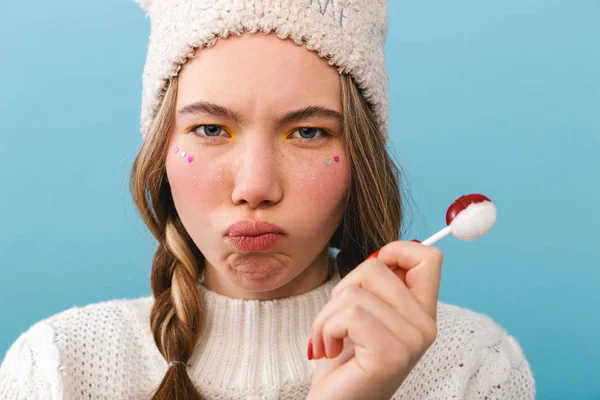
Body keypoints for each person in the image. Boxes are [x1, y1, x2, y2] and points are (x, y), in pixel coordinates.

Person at [0, 0, 536, 399]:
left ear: (362, 161)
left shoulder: (473, 368)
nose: (255, 187)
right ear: (162, 150)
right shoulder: (56, 371)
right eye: (210, 129)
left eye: (307, 133)